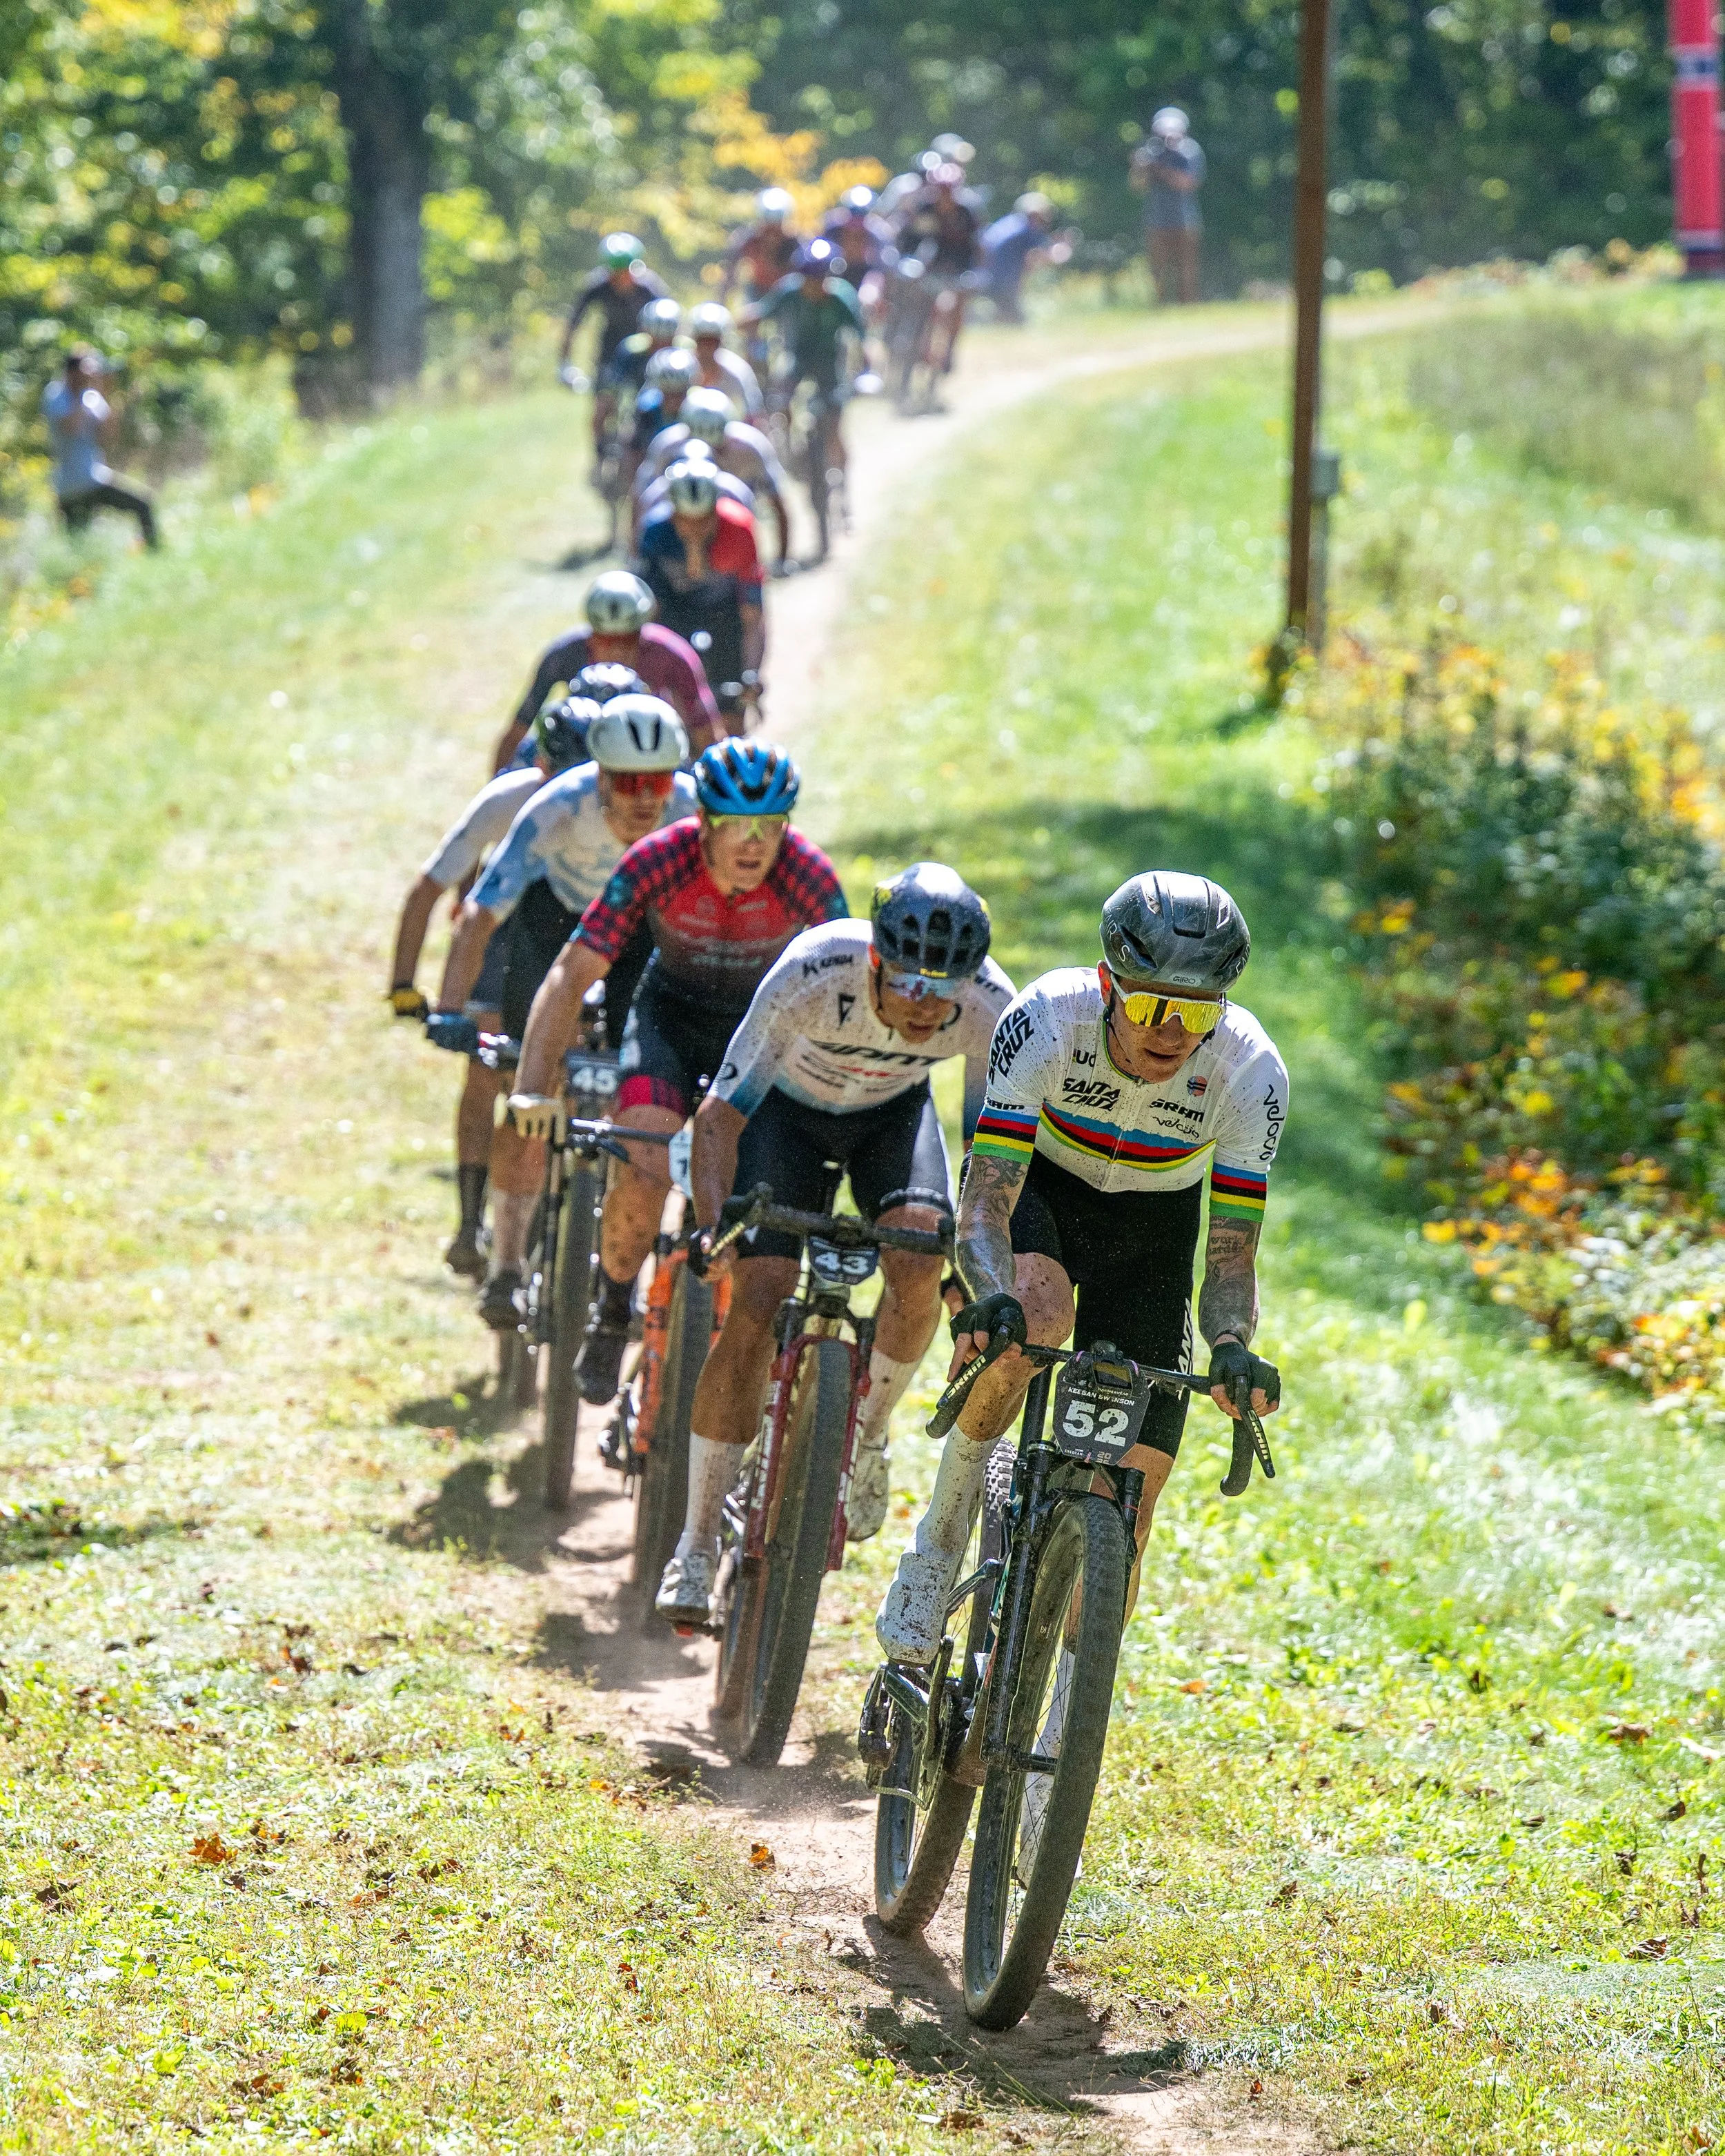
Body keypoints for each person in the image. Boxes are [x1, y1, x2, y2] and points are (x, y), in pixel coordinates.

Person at [876, 871, 1288, 1665]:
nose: (1170, 1030)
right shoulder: (1045, 1018)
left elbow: (1231, 1249)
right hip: (1046, 1195)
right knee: (1033, 1318)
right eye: (1147, 1005)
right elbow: (986, 1202)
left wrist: (1232, 1342)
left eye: (1196, 1012)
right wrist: (988, 1293)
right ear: (1107, 985)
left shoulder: (1249, 1071)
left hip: (1153, 1234)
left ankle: (1068, 1725)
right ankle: (939, 1539)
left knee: (1133, 1499)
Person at [654, 866, 1014, 1627]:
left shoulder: (991, 1006)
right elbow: (720, 1117)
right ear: (875, 962)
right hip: (782, 1115)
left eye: (943, 987)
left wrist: (970, 1265)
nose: (925, 1004)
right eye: (909, 982)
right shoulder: (814, 969)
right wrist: (716, 1225)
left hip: (892, 1118)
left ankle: (869, 1433)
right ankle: (692, 1539)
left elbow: (991, 1150)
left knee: (918, 1259)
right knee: (758, 1290)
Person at [506, 740, 847, 1406]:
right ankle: (611, 1304)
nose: (753, 845)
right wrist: (528, 1084)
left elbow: (851, 984)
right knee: (645, 1158)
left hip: (757, 1031)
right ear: (703, 822)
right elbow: (572, 974)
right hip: (670, 1019)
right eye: (735, 826)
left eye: (770, 827)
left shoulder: (807, 875)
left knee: (760, 1184)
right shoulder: (657, 860)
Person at [431, 697, 698, 1329]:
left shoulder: (692, 810)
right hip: (551, 926)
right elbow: (481, 911)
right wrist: (449, 1008)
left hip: (639, 932)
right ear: (599, 776)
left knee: (642, 1079)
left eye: (656, 782)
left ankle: (618, 1255)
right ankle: (506, 1264)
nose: (643, 799)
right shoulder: (553, 808)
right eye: (628, 783)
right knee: (533, 1083)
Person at [390, 698, 594, 1278]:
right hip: (506, 934)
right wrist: (411, 990)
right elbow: (431, 888)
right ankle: (471, 1218)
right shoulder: (508, 801)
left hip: (578, 936)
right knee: (486, 1069)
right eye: (561, 774)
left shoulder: (623, 809)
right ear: (541, 765)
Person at [493, 571, 721, 771]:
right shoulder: (563, 656)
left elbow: (707, 734)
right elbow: (517, 731)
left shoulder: (673, 656)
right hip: (577, 750)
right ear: (591, 634)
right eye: (605, 639)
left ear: (642, 632)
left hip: (647, 749)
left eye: (627, 639)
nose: (616, 648)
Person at [633, 462, 765, 724]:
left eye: (704, 520)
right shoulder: (655, 532)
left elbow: (752, 614)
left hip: (724, 610)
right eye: (685, 520)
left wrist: (750, 673)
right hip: (675, 607)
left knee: (733, 701)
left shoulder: (739, 530)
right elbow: (650, 611)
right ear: (673, 513)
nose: (694, 528)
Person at [742, 240, 866, 478]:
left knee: (833, 425)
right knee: (780, 398)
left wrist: (865, 366)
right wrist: (734, 324)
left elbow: (861, 336)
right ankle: (790, 449)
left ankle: (843, 482)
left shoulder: (841, 297)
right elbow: (763, 313)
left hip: (830, 363)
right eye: (809, 276)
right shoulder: (789, 291)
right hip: (798, 358)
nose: (815, 283)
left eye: (821, 276)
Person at [635, 387, 791, 567]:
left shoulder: (752, 448)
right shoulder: (665, 445)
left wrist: (781, 558)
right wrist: (638, 557)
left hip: (732, 521)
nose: (710, 454)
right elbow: (644, 500)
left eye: (718, 448)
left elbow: (777, 500)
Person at [560, 237, 672, 456]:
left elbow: (671, 322)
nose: (621, 278)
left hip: (644, 352)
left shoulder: (650, 288)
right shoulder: (597, 286)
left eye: (625, 271)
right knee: (602, 406)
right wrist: (564, 363)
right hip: (610, 352)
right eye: (615, 272)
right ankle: (599, 454)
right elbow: (573, 324)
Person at [43, 350, 159, 550]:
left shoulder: (93, 396)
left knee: (143, 505)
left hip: (94, 478)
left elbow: (106, 440)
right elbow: (70, 428)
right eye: (86, 371)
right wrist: (85, 394)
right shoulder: (56, 394)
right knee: (77, 545)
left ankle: (153, 552)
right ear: (71, 372)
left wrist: (109, 395)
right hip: (70, 485)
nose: (91, 376)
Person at [889, 164, 981, 384]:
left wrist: (973, 272)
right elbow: (910, 240)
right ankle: (908, 345)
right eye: (940, 189)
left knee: (954, 304)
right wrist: (905, 262)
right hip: (929, 269)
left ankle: (949, 348)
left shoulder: (966, 213)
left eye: (948, 190)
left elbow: (976, 247)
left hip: (958, 269)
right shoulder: (925, 209)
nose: (944, 195)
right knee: (914, 300)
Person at [1131, 108, 1206, 305]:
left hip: (1185, 219)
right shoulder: (1150, 151)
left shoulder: (1190, 151)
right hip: (1157, 219)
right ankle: (1160, 303)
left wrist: (1160, 170)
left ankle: (1188, 304)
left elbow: (1189, 183)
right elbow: (1138, 186)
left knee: (1187, 267)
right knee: (1158, 267)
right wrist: (1140, 167)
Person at [980, 193, 1063, 324]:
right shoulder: (1026, 228)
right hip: (1002, 282)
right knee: (1016, 323)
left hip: (984, 277)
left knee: (1002, 317)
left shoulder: (1008, 222)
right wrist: (1064, 249)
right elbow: (1050, 255)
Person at [722, 188, 802, 309]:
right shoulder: (748, 240)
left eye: (776, 227)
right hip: (757, 289)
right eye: (768, 226)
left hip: (785, 294)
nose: (771, 233)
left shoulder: (796, 243)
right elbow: (730, 274)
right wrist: (721, 303)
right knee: (749, 316)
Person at [687, 302, 764, 419]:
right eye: (703, 340)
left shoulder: (738, 373)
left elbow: (750, 416)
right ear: (695, 339)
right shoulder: (681, 368)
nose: (707, 347)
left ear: (721, 341)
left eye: (713, 341)